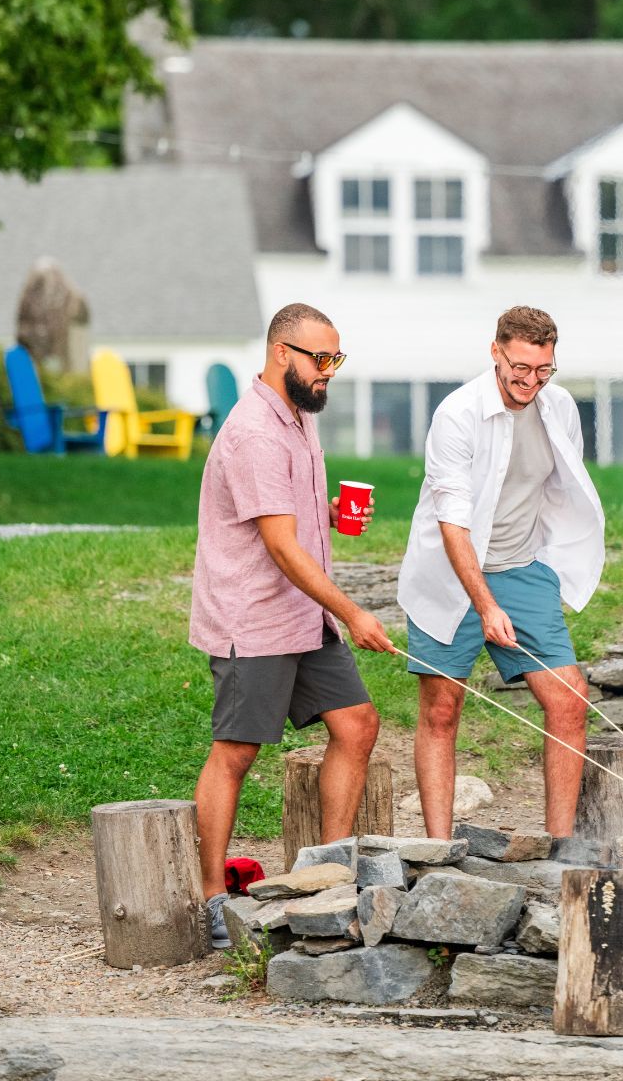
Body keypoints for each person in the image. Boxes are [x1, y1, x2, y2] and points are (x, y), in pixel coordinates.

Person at [190, 302, 395, 949]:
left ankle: (327, 873)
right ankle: (210, 902)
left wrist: (326, 511)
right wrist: (353, 610)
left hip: (302, 617)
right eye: (320, 359)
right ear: (283, 353)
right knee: (236, 752)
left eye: (337, 359)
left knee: (357, 724)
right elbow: (279, 547)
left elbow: (288, 518)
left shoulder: (298, 418)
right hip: (252, 617)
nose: (329, 372)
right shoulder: (254, 432)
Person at [397, 306, 605, 839]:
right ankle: (438, 848)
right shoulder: (457, 415)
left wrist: (549, 571)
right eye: (520, 368)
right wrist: (486, 604)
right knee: (442, 708)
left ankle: (561, 847)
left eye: (543, 371)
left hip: (522, 567)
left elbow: (561, 490)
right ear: (496, 352)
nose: (531, 382)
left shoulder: (558, 407)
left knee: (568, 699)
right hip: (452, 571)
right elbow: (453, 522)